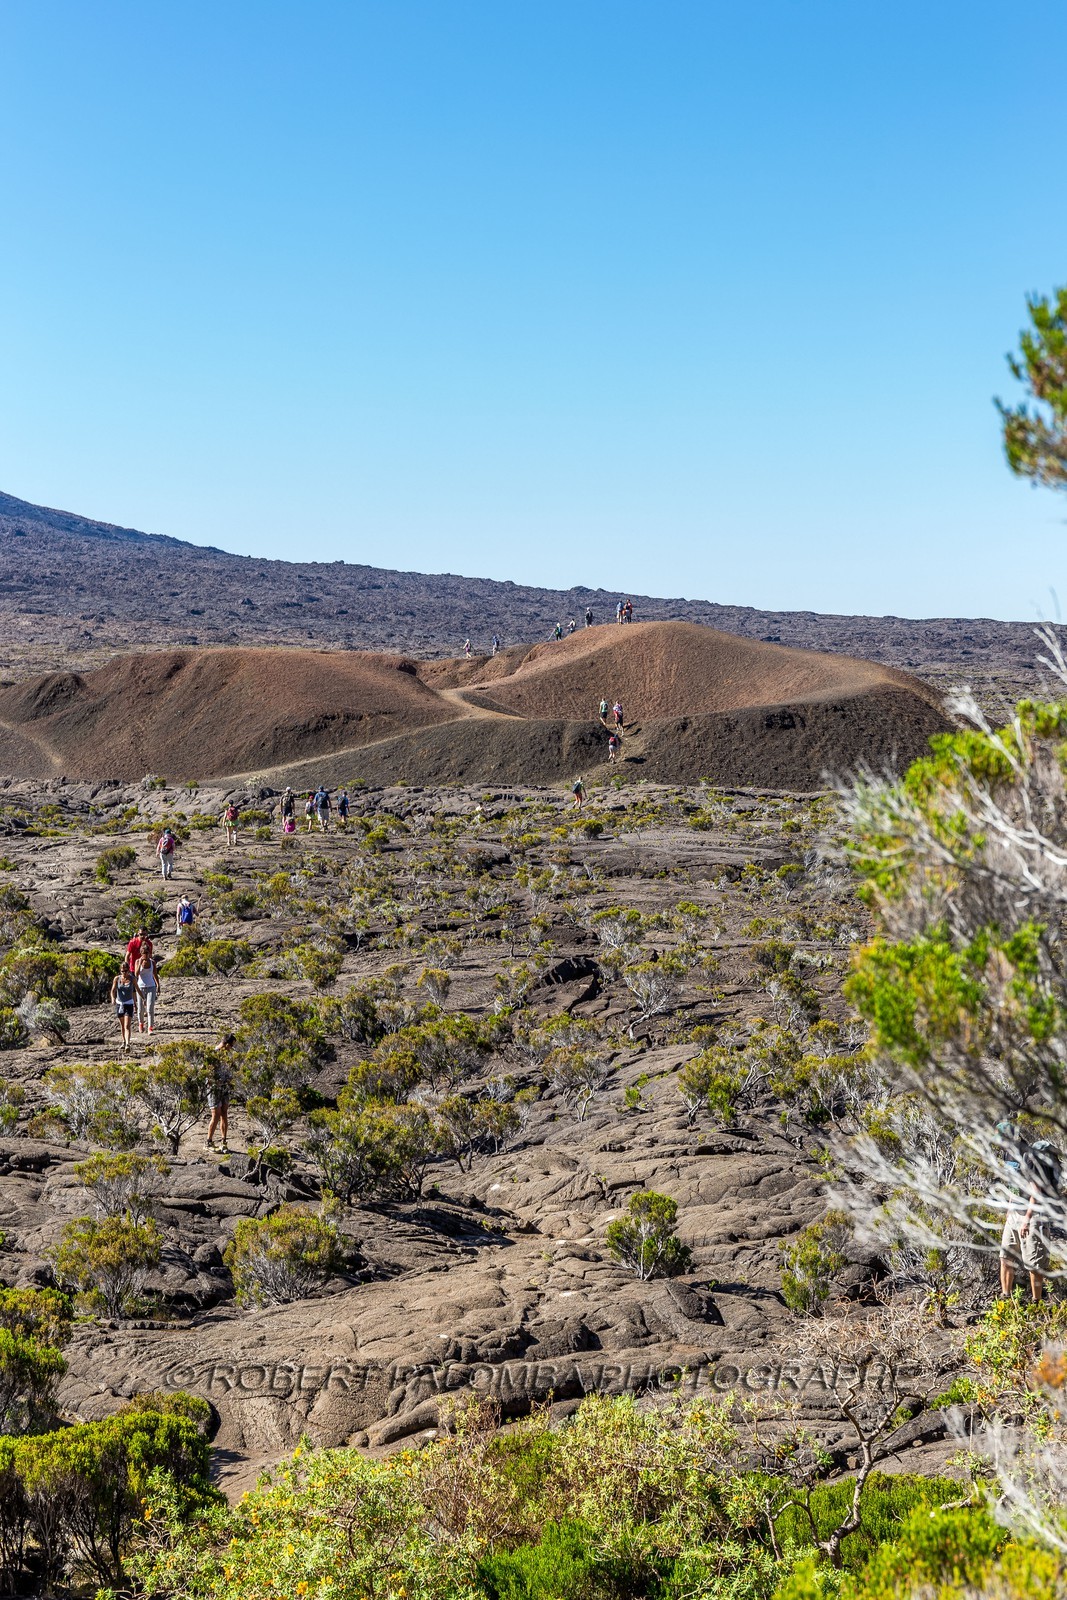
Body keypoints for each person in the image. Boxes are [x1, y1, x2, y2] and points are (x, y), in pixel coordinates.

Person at [1000, 1127, 1056, 1303]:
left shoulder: (1028, 1156)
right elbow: (1012, 1184)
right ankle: (1005, 1299)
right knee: (1005, 1256)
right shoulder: (1007, 1155)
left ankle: (1036, 1303)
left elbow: (1036, 1191)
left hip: (1033, 1216)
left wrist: (1027, 1219)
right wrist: (1010, 1208)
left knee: (1033, 1264)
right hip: (1015, 1214)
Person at [206, 1034, 235, 1153]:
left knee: (224, 1113)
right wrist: (215, 1083)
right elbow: (207, 1073)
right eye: (231, 1046)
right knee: (216, 1115)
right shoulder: (213, 1054)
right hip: (214, 1089)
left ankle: (223, 1141)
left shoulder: (228, 1056)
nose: (232, 1048)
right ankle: (208, 1141)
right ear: (226, 1044)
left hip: (225, 1088)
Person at [110, 963, 136, 1052]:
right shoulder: (117, 979)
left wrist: (142, 1000)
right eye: (122, 971)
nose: (124, 972)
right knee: (122, 1025)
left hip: (129, 1003)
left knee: (127, 1025)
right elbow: (113, 990)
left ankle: (128, 1044)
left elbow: (137, 990)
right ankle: (123, 1041)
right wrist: (113, 998)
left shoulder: (132, 979)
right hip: (119, 1004)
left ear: (128, 970)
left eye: (126, 971)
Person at [134, 948, 160, 1035]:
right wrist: (140, 963)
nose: (145, 955)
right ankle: (141, 1023)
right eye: (144, 953)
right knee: (141, 1008)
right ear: (141, 953)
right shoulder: (138, 961)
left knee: (150, 1008)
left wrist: (158, 985)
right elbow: (136, 974)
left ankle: (150, 1028)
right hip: (141, 987)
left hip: (151, 986)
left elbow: (155, 974)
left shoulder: (152, 962)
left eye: (147, 953)